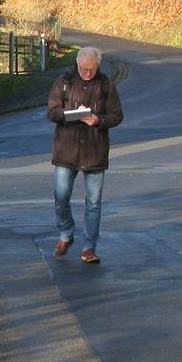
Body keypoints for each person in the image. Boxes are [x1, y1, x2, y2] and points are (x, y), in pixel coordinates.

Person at [46, 46, 123, 264]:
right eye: (84, 68)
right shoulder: (63, 81)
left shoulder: (106, 84)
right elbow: (52, 111)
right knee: (61, 196)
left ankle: (89, 247)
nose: (88, 73)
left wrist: (99, 120)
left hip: (95, 150)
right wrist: (68, 115)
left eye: (92, 69)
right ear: (78, 64)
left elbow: (116, 115)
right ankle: (65, 234)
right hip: (66, 150)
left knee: (94, 203)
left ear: (97, 65)